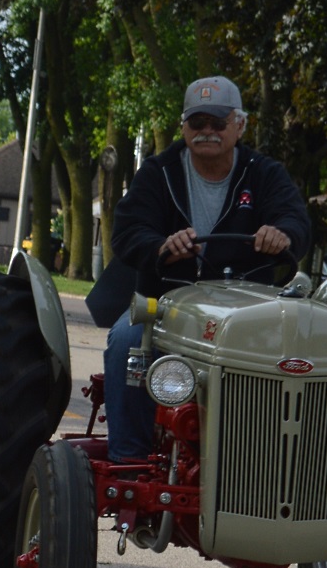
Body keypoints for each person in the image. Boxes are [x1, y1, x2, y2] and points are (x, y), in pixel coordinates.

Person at [103, 75, 311, 461]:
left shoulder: (265, 174)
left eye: (218, 122)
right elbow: (129, 232)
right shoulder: (157, 172)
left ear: (240, 125)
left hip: (248, 311)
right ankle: (128, 462)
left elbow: (295, 221)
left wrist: (282, 235)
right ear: (183, 127)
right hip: (164, 305)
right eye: (197, 123)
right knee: (125, 342)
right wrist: (161, 247)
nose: (207, 132)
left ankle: (279, 459)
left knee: (302, 356)